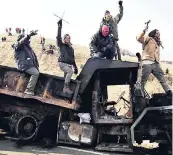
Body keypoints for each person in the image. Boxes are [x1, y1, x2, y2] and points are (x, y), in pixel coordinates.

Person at [136, 25, 172, 97]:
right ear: (153, 34)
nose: (159, 35)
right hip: (147, 63)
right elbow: (138, 38)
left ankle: (169, 93)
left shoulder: (158, 43)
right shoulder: (148, 38)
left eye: (159, 34)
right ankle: (139, 97)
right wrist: (144, 30)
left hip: (156, 64)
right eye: (157, 33)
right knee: (142, 81)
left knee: (162, 78)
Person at [12, 30, 39, 95]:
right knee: (36, 73)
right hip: (24, 65)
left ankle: (22, 89)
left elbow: (33, 57)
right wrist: (29, 35)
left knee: (34, 72)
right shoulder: (18, 45)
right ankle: (29, 90)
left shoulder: (27, 47)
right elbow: (22, 41)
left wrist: (36, 65)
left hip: (27, 65)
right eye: (24, 38)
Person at [56, 19, 78, 94]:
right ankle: (65, 89)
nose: (68, 39)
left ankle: (63, 92)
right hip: (62, 63)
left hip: (69, 64)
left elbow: (73, 59)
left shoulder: (71, 48)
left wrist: (76, 67)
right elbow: (58, 37)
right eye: (66, 38)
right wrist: (59, 27)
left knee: (67, 75)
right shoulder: (61, 45)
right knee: (70, 71)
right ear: (64, 39)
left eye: (69, 38)